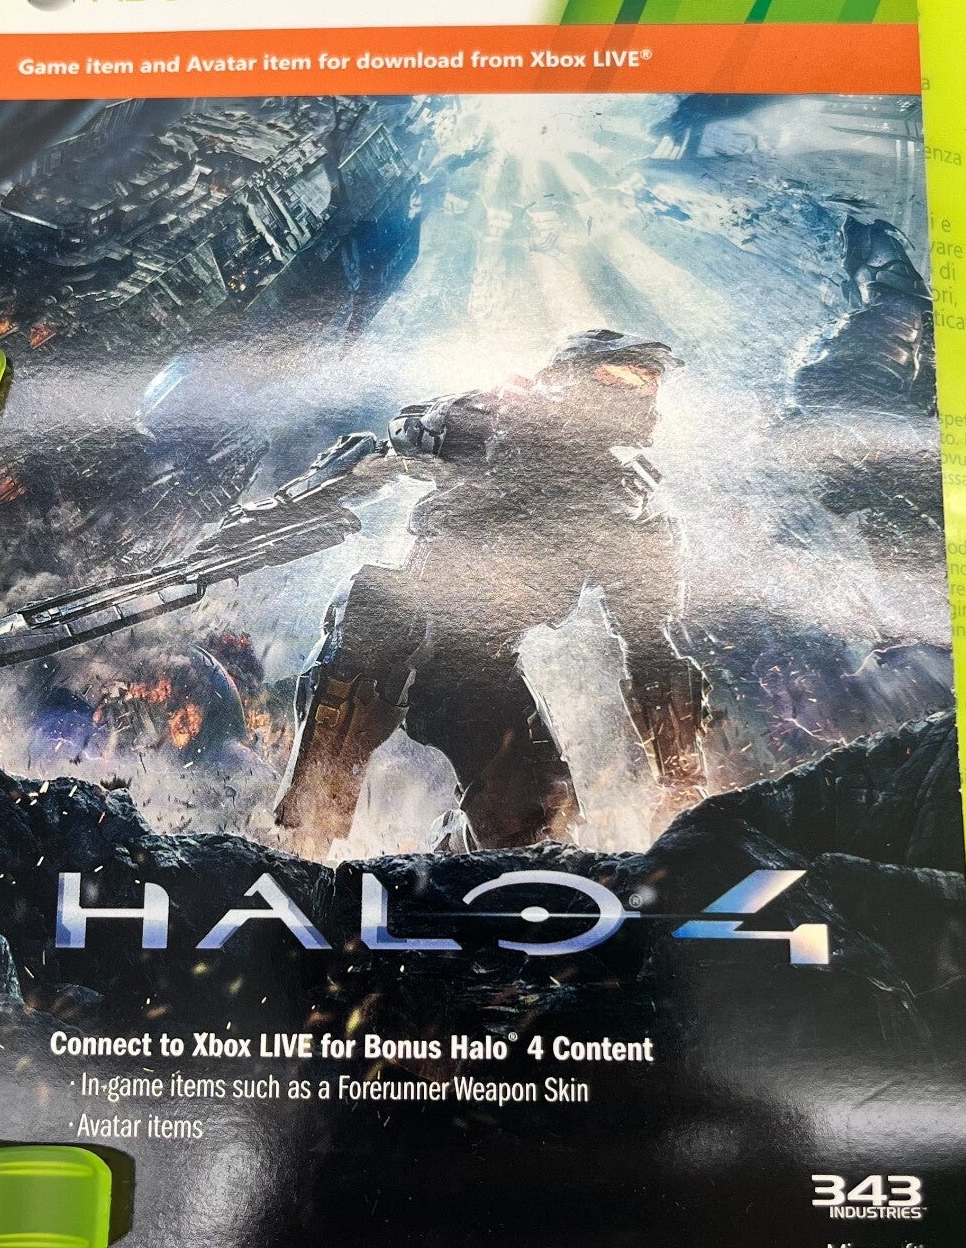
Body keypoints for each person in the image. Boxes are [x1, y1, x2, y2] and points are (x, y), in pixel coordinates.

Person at [273, 329, 708, 856]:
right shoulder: (489, 424)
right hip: (405, 626)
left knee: (538, 830)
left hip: (477, 672)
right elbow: (377, 456)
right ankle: (302, 841)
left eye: (647, 381)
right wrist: (273, 521)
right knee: (375, 607)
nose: (638, 392)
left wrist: (683, 784)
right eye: (618, 375)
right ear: (566, 380)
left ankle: (446, 858)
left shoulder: (626, 508)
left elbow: (651, 649)